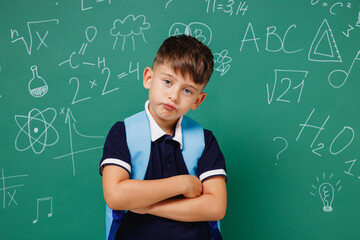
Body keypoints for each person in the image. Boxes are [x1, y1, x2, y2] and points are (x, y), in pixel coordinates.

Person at [99, 34, 227, 240]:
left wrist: (148, 207)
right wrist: (182, 184)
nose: (174, 96)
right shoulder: (123, 132)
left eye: (187, 90)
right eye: (167, 81)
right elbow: (116, 195)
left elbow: (215, 207)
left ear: (197, 100)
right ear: (149, 78)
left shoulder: (204, 140)